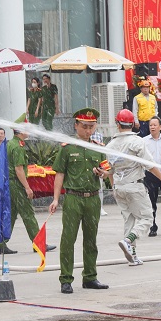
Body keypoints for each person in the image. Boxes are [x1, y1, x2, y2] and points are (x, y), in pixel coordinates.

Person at [49, 108, 109, 293]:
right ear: (76, 126)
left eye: (91, 127)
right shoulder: (67, 148)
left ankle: (90, 277)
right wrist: (56, 199)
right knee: (68, 239)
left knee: (91, 240)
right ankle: (66, 279)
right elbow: (59, 173)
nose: (88, 131)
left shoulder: (98, 147)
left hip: (92, 199)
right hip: (73, 198)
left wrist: (103, 173)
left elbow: (107, 173)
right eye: (84, 127)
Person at [105, 109, 161, 265]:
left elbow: (110, 170)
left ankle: (133, 256)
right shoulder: (136, 142)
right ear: (133, 124)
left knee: (129, 220)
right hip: (134, 187)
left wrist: (114, 187)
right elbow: (148, 164)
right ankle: (129, 241)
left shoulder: (111, 145)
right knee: (147, 218)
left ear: (117, 123)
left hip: (119, 187)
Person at [0, 122, 55, 255]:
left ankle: (0, 244)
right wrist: (27, 187)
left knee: (10, 215)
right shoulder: (18, 146)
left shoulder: (9, 143)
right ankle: (38, 244)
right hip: (16, 185)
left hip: (9, 184)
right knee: (28, 214)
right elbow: (19, 169)